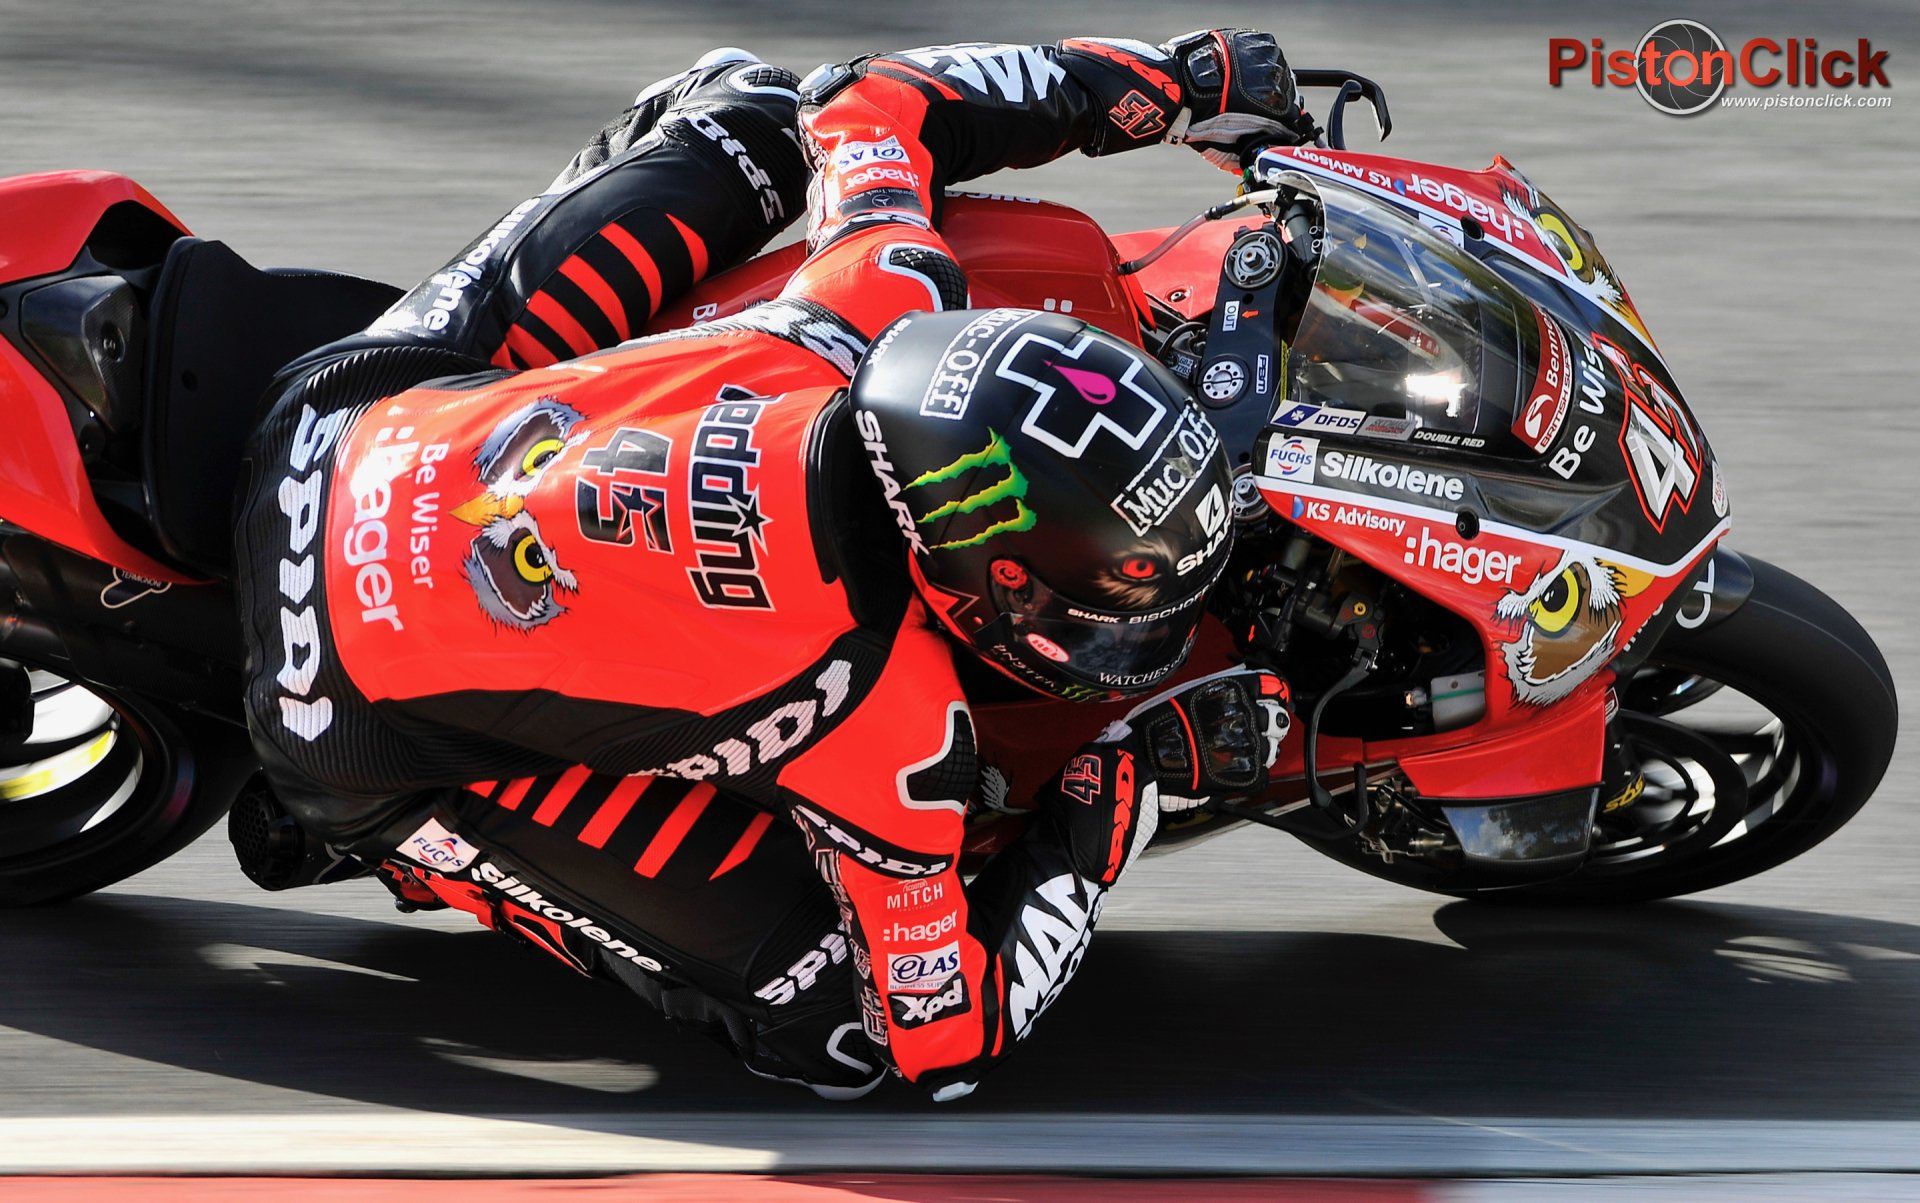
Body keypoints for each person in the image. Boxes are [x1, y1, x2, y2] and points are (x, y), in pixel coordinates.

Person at [235, 30, 1310, 1099]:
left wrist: (1166, 81)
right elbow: (942, 1044)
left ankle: (693, 122)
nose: (1114, 637)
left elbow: (873, 95)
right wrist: (1116, 791)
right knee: (843, 1039)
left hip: (340, 415)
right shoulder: (892, 729)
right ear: (991, 582)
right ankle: (402, 851)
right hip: (333, 713)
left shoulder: (877, 296)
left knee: (760, 110)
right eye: (1101, 609)